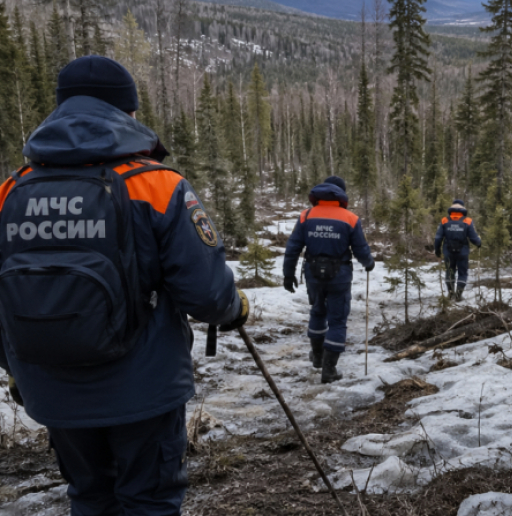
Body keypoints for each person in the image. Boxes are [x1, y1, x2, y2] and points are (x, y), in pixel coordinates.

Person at [0, 55, 249, 516]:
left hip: (49, 387)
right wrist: (237, 310)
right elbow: (207, 293)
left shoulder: (11, 191)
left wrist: (14, 367)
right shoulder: (156, 185)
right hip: (143, 388)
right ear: (126, 112)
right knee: (148, 501)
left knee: (90, 497)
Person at [283, 176, 374, 384]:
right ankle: (329, 368)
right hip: (339, 276)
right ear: (341, 194)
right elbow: (360, 248)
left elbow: (293, 247)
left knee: (317, 311)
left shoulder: (306, 216)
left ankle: (317, 357)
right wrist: (368, 263)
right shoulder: (350, 218)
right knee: (338, 320)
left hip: (313, 275)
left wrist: (289, 274)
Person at [434, 199, 482, 301]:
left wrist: (437, 250)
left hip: (448, 252)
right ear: (463, 209)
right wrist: (479, 243)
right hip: (463, 252)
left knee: (449, 272)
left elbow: (438, 238)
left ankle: (451, 294)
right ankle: (459, 295)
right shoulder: (467, 221)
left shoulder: (444, 220)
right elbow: (473, 238)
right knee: (462, 273)